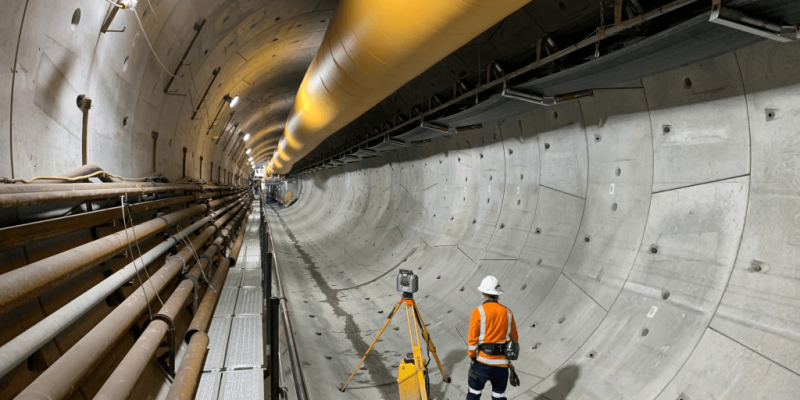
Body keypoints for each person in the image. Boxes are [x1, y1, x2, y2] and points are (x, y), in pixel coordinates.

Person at [466, 276, 518, 400]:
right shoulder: (508, 312)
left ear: (483, 293)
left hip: (482, 362)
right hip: (502, 364)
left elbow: (472, 339)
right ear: (497, 294)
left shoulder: (478, 311)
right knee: (498, 396)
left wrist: (472, 356)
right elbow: (514, 338)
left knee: (474, 393)